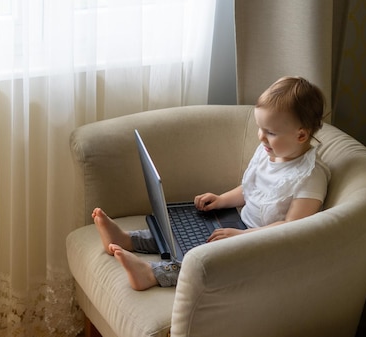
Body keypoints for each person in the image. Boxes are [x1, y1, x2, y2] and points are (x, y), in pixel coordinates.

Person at [92, 76, 331, 291]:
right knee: (186, 230)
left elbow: (292, 227)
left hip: (265, 247)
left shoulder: (310, 175)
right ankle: (128, 239)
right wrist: (222, 200)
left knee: (207, 258)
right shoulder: (269, 151)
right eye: (260, 128)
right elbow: (251, 190)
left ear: (300, 135)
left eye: (270, 132)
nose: (261, 137)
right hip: (240, 225)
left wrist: (241, 237)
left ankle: (152, 275)